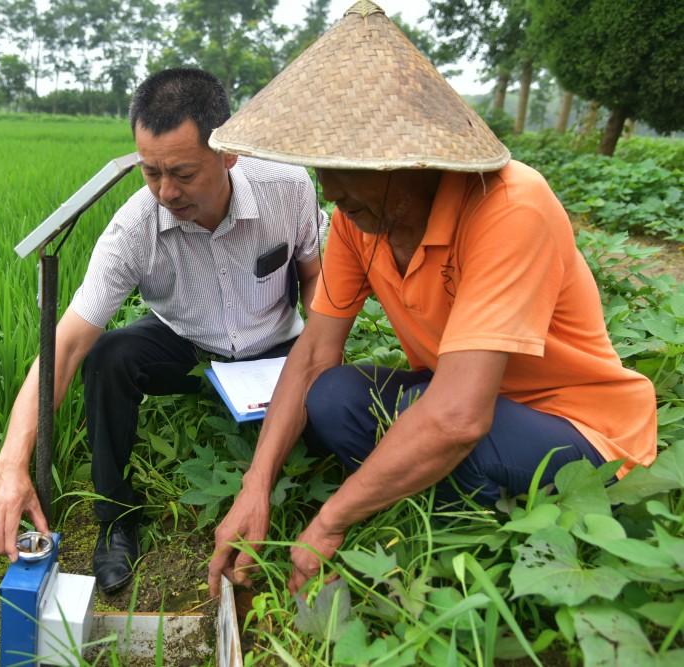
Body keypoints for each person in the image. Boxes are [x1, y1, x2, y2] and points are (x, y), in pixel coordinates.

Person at [205, 1, 657, 598]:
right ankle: (429, 490)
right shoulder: (357, 218)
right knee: (333, 398)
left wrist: (330, 522)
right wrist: (254, 487)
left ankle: (446, 536)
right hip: (463, 394)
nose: (331, 189)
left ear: (413, 161)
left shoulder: (510, 207)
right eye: (323, 169)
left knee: (458, 443)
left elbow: (458, 417)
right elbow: (315, 354)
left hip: (573, 425)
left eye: (347, 169)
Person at [0, 68, 328, 594]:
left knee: (332, 391)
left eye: (184, 174)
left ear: (229, 151)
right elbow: (67, 343)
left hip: (275, 344)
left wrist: (317, 351)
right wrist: (12, 462)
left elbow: (314, 280)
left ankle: (316, 507)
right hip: (187, 346)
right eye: (150, 172)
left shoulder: (288, 188)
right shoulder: (135, 227)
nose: (166, 191)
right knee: (108, 356)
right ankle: (116, 519)